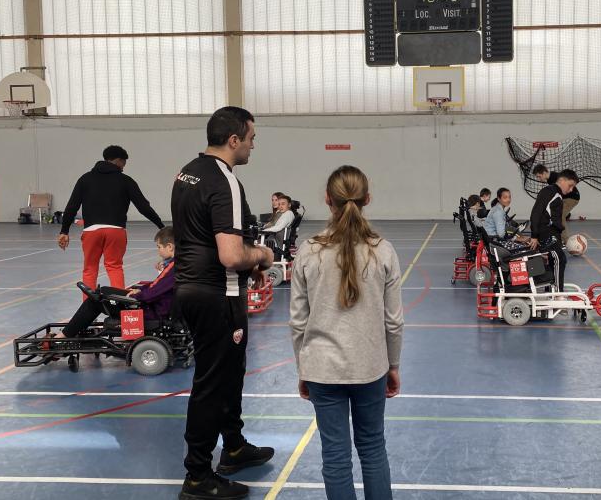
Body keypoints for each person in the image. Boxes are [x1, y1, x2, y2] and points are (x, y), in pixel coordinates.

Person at [172, 106, 277, 500]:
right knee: (212, 384)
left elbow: (198, 235)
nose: (253, 145)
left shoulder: (187, 171)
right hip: (217, 295)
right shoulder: (224, 181)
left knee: (231, 370)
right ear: (234, 139)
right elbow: (231, 255)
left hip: (195, 289)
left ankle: (233, 446)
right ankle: (197, 476)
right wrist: (263, 258)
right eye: (251, 138)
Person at [290, 165, 403, 500]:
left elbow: (298, 321)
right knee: (372, 448)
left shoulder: (308, 251)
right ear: (368, 198)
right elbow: (393, 321)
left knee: (335, 456)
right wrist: (392, 365)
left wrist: (304, 369)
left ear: (327, 200)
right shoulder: (383, 250)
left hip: (322, 371)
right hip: (370, 368)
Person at [58, 145, 165, 291]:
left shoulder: (85, 179)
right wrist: (161, 226)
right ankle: (118, 306)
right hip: (116, 231)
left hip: (91, 231)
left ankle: (87, 308)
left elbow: (71, 207)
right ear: (118, 161)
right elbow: (143, 207)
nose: (123, 167)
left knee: (90, 269)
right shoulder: (125, 180)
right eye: (124, 163)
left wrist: (64, 231)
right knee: (114, 267)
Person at [52, 227, 176, 341]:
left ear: (170, 247)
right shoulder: (176, 264)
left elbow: (155, 291)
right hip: (153, 306)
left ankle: (63, 337)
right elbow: (157, 286)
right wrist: (141, 290)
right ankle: (74, 325)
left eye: (159, 247)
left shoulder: (173, 268)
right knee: (104, 291)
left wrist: (136, 295)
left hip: (151, 311)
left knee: (95, 301)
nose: (158, 251)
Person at [528, 170, 579, 292]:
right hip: (547, 234)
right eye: (570, 185)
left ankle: (551, 291)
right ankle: (557, 293)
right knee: (559, 259)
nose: (571, 190)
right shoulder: (549, 191)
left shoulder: (558, 194)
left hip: (553, 235)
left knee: (553, 261)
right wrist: (534, 235)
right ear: (562, 180)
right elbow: (536, 213)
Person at [533, 164, 580, 243]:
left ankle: (566, 241)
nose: (539, 179)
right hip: (565, 198)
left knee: (560, 216)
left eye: (539, 176)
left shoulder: (555, 178)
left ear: (544, 172)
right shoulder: (550, 179)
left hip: (572, 198)